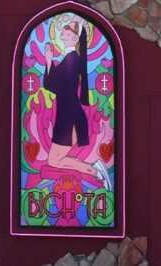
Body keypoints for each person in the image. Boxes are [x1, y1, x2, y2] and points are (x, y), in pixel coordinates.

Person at [43, 17, 112, 190]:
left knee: (54, 160)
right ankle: (95, 169)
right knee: (54, 160)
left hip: (69, 115)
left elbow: (56, 85)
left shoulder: (73, 59)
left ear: (75, 38)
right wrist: (49, 61)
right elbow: (52, 86)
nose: (64, 31)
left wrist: (50, 61)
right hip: (66, 113)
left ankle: (95, 170)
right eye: (65, 30)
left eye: (68, 31)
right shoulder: (67, 58)